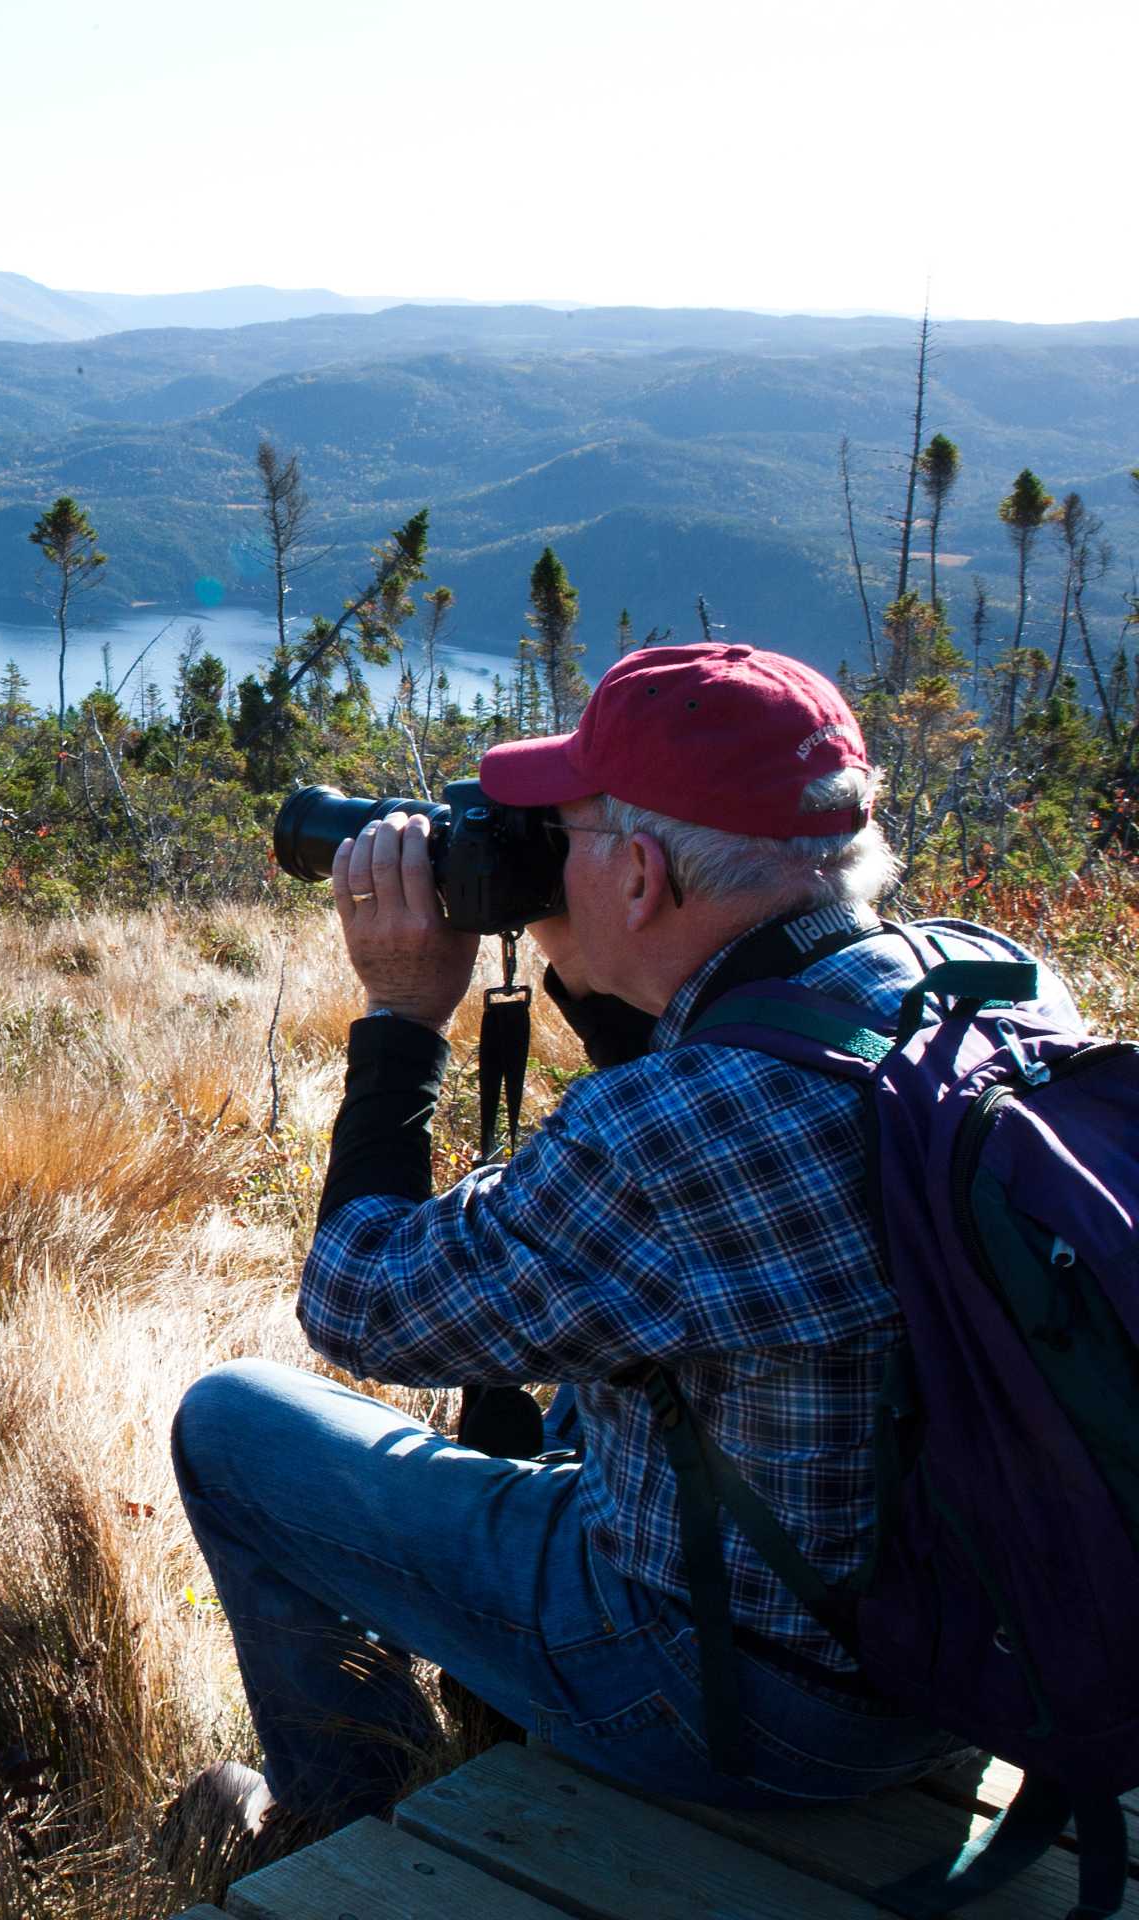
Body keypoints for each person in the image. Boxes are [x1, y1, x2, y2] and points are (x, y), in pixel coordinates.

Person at [164, 643, 1048, 1881]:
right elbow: (713, 1193)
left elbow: (360, 1302)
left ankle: (343, 1814)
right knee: (597, 1369)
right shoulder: (988, 988)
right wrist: (596, 953)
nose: (539, 855)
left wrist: (401, 1018)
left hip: (755, 1717)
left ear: (638, 874)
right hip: (988, 1660)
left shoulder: (679, 1134)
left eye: (562, 832)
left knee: (231, 1426)